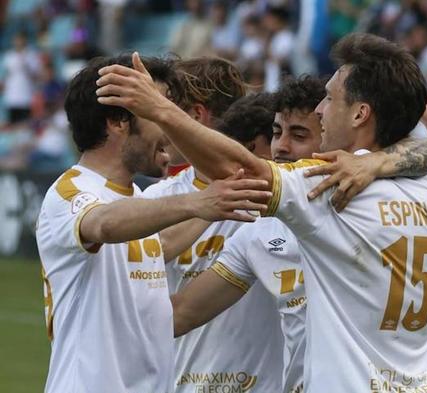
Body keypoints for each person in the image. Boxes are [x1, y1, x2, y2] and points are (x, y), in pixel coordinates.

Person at [96, 32, 427, 392]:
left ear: (360, 114)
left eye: (331, 99)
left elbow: (238, 170)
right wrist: (412, 112)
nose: (321, 108)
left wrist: (161, 110)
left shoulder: (324, 188)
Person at [36, 55, 271, 393]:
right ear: (118, 121)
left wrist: (211, 191)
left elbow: (159, 245)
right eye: (155, 110)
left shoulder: (133, 198)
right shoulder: (71, 191)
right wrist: (196, 201)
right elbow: (102, 225)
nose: (170, 128)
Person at [142, 58, 284, 393]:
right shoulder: (159, 197)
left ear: (193, 117)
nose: (158, 130)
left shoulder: (278, 194)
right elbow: (141, 256)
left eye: (165, 114)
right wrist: (204, 205)